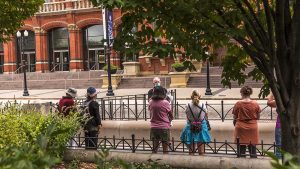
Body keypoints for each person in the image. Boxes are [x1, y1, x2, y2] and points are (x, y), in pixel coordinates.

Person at [232, 86, 261, 158]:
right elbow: (258, 117)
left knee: (241, 150)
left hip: (240, 127)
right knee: (252, 150)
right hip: (252, 127)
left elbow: (234, 117)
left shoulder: (238, 103)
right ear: (250, 93)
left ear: (241, 93)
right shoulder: (255, 103)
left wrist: (236, 124)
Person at [180, 90, 211, 155]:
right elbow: (206, 115)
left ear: (191, 97)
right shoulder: (203, 105)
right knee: (201, 151)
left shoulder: (187, 105)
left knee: (191, 150)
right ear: (199, 97)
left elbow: (187, 114)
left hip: (190, 127)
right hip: (201, 128)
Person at [149, 86, 173, 154]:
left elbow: (151, 112)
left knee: (155, 149)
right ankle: (165, 163)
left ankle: (154, 163)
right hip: (164, 127)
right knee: (165, 150)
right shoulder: (165, 102)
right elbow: (171, 115)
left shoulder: (151, 102)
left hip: (154, 127)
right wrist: (169, 121)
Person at [267, 92, 281, 158]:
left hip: (280, 125)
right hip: (295, 126)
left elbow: (269, 102)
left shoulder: (281, 99)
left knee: (279, 147)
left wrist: (272, 93)